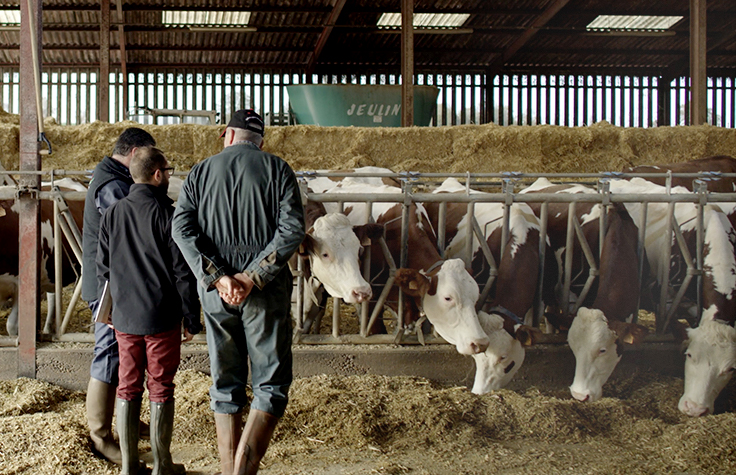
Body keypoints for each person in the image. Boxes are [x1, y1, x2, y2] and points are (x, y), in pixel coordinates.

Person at [171, 109, 305, 475]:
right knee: (271, 382)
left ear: (226, 135)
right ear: (262, 141)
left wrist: (218, 276)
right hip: (265, 290)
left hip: (216, 294)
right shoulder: (278, 169)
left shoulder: (199, 172)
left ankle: (230, 468)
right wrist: (252, 276)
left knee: (225, 381)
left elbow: (181, 229)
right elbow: (292, 229)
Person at [97, 146, 202, 475]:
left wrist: (116, 307)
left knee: (127, 386)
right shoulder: (169, 216)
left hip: (125, 319)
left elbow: (103, 266)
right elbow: (183, 274)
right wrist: (191, 318)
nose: (169, 176)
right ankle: (163, 465)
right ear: (158, 174)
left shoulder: (113, 213)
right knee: (161, 386)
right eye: (168, 171)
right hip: (161, 318)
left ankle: (129, 465)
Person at [82, 127, 156, 464]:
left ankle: (121, 420)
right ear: (135, 151)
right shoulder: (112, 185)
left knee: (123, 354)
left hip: (118, 280)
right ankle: (99, 436)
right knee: (109, 352)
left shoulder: (114, 176)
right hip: (109, 285)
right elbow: (131, 225)